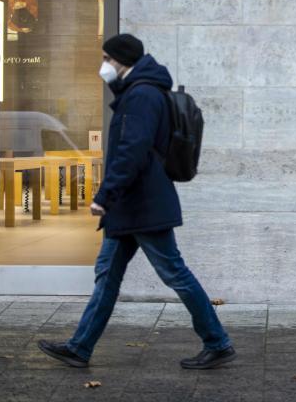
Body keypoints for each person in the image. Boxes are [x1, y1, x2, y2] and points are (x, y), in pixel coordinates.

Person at [37, 34, 235, 370]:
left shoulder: (142, 95)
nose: (103, 66)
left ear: (120, 60)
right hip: (132, 206)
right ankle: (80, 346)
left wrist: (105, 196)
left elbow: (132, 151)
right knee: (107, 275)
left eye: (106, 59)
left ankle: (217, 341)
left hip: (143, 204)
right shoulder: (139, 91)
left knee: (174, 272)